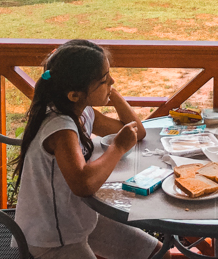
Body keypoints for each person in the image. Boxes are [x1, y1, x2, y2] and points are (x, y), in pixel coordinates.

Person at [13, 39, 162, 259]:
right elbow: (83, 184)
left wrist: (113, 94)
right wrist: (118, 148)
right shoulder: (60, 128)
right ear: (74, 94)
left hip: (79, 219)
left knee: (156, 253)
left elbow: (137, 132)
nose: (112, 80)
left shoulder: (82, 112)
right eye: (104, 79)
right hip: (51, 239)